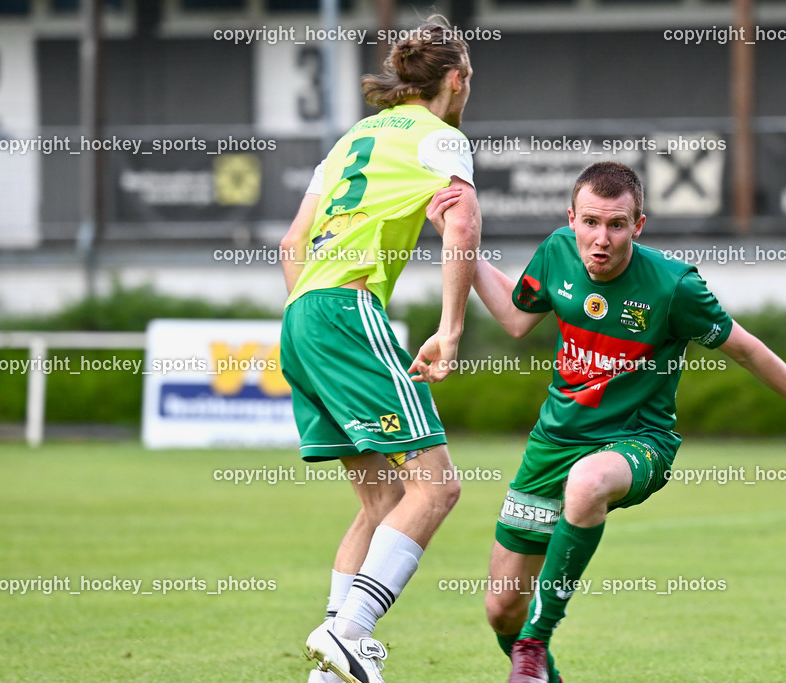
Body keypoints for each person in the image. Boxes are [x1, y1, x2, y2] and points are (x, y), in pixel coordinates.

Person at [428, 161, 786, 682]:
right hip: (553, 441)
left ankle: (537, 638)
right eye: (591, 222)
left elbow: (748, 350)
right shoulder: (556, 252)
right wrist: (459, 246)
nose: (601, 239)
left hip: (639, 442)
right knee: (500, 609)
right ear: (570, 218)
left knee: (588, 482)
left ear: (637, 226)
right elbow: (514, 318)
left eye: (616, 225)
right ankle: (535, 662)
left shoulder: (673, 287)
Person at [277, 17, 481, 683]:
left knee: (382, 499)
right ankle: (348, 631)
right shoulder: (443, 139)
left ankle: (329, 672)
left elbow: (290, 245)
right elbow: (463, 222)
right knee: (439, 485)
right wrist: (451, 329)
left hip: (302, 315)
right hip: (345, 310)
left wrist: (309, 324)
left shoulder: (347, 142)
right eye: (469, 77)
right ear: (456, 80)